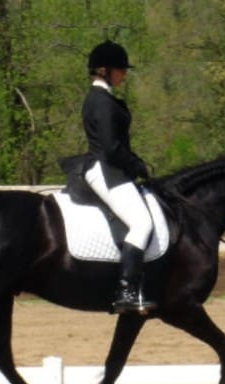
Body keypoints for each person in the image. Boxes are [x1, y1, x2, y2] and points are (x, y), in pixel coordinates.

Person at [80, 40, 157, 315]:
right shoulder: (101, 101)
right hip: (106, 169)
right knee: (142, 224)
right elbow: (112, 148)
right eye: (120, 69)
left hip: (108, 166)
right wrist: (136, 165)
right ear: (105, 70)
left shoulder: (103, 98)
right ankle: (126, 291)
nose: (124, 74)